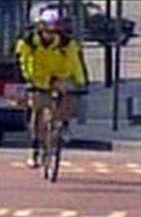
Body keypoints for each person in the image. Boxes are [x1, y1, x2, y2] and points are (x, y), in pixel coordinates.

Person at [15, 10, 88, 168]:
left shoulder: (66, 44)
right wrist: (26, 79)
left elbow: (75, 63)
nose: (50, 35)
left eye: (53, 31)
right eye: (47, 31)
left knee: (69, 95)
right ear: (40, 29)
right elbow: (22, 61)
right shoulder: (29, 43)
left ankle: (64, 124)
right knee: (37, 109)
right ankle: (35, 149)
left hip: (60, 75)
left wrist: (81, 82)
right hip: (39, 78)